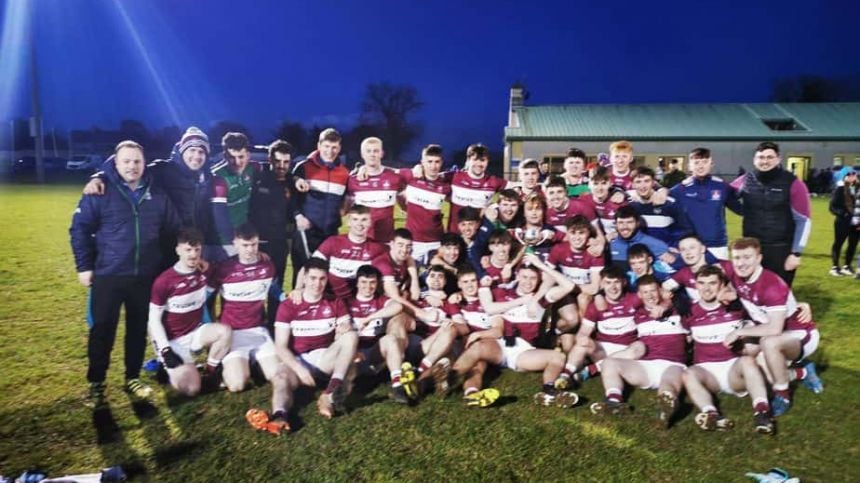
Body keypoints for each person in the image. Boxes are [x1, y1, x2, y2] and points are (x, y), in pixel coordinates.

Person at [70, 140, 180, 408]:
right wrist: (84, 266)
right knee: (103, 330)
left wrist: (173, 264)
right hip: (108, 274)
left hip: (144, 276)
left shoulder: (157, 192)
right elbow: (79, 229)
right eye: (127, 161)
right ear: (116, 164)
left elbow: (174, 228)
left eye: (137, 161)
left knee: (137, 330)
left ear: (144, 164)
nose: (132, 166)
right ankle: (96, 384)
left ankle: (132, 377)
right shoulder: (100, 190)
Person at [83, 126, 218, 266]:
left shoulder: (207, 177)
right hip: (167, 245)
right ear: (182, 151)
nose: (196, 156)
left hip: (195, 246)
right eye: (192, 150)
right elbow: (126, 164)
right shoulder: (163, 169)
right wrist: (99, 176)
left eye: (201, 152)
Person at [723, 237, 823, 416]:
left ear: (759, 258)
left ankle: (783, 394)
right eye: (737, 258)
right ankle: (802, 372)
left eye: (747, 257)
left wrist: (739, 332)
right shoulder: (733, 273)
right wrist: (726, 292)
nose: (741, 263)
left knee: (770, 343)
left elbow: (775, 328)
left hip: (800, 334)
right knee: (749, 354)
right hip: (772, 332)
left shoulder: (771, 284)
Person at [469, 254, 580, 407]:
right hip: (499, 345)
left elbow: (569, 286)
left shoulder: (541, 298)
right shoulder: (503, 291)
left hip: (523, 352)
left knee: (558, 357)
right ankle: (467, 392)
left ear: (539, 278)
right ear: (517, 276)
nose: (528, 282)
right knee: (477, 364)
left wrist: (541, 265)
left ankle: (549, 390)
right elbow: (487, 305)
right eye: (524, 277)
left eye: (533, 278)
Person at [209, 224, 290, 427]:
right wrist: (208, 329)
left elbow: (274, 290)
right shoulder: (224, 268)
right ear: (235, 244)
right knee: (237, 385)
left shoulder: (267, 265)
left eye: (254, 244)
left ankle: (251, 363)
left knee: (278, 375)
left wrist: (287, 298)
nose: (250, 250)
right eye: (245, 245)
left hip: (258, 331)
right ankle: (226, 366)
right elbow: (205, 299)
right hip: (233, 334)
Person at [682, 265, 775, 435]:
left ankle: (762, 412)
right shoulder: (689, 312)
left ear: (722, 285)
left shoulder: (736, 306)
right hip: (707, 373)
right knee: (688, 373)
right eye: (702, 283)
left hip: (733, 369)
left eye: (712, 283)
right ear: (696, 285)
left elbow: (771, 312)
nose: (706, 288)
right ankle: (711, 414)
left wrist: (802, 305)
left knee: (748, 361)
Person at [589, 275, 687, 427]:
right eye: (645, 292)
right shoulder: (637, 314)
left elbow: (686, 305)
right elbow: (615, 304)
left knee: (667, 387)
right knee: (610, 363)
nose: (650, 295)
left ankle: (664, 413)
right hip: (646, 366)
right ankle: (614, 401)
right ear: (639, 295)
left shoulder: (677, 307)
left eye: (653, 291)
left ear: (660, 291)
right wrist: (599, 295)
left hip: (673, 364)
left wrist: (666, 304)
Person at [147, 228, 232, 396]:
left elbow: (222, 272)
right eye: (188, 250)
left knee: (225, 331)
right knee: (192, 389)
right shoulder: (164, 281)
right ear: (177, 250)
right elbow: (153, 320)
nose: (193, 254)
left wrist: (261, 256)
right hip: (173, 342)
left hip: (195, 333)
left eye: (197, 249)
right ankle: (165, 366)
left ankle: (210, 372)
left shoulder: (203, 271)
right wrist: (165, 350)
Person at [273, 258, 359, 419]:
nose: (317, 284)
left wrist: (344, 329)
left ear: (327, 279)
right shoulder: (288, 305)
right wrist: (299, 368)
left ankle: (329, 394)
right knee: (280, 378)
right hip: (298, 359)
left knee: (351, 336)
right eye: (313, 278)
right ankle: (279, 415)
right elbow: (280, 346)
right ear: (304, 278)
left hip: (324, 359)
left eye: (322, 279)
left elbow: (345, 328)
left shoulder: (335, 302)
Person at [730, 142, 811, 286]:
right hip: (751, 247)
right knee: (751, 291)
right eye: (761, 157)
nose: (765, 161)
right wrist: (744, 211)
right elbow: (725, 196)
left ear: (778, 159)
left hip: (780, 249)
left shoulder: (793, 183)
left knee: (779, 292)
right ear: (754, 159)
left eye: (769, 157)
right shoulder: (745, 180)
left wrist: (796, 253)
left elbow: (803, 220)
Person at [557, 266, 646, 389]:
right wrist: (582, 338)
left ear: (624, 282)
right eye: (608, 283)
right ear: (602, 285)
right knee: (582, 343)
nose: (613, 287)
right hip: (602, 350)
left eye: (617, 282)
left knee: (640, 348)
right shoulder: (595, 306)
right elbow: (583, 331)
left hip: (626, 351)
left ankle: (590, 370)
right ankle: (565, 376)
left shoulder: (635, 299)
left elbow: (659, 298)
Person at [290, 128, 350, 285]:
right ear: (319, 145)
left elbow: (346, 197)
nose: (330, 151)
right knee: (302, 276)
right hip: (306, 232)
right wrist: (298, 216)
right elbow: (290, 196)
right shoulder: (304, 167)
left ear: (340, 148)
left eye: (334, 147)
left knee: (326, 277)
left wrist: (344, 209)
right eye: (327, 146)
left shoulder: (344, 173)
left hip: (330, 233)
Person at [293, 204, 387, 299]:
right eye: (355, 219)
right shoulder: (333, 242)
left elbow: (388, 276)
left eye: (364, 220)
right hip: (331, 299)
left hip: (360, 300)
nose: (359, 224)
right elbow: (308, 266)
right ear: (348, 222)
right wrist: (298, 288)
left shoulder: (378, 248)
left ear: (370, 222)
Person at [345, 265, 408, 403]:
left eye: (372, 282)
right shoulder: (347, 302)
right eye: (364, 282)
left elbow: (398, 306)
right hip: (353, 352)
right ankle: (342, 390)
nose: (368, 286)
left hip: (374, 351)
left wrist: (370, 318)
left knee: (391, 339)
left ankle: (398, 386)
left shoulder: (381, 300)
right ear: (357, 283)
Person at [670, 147, 742, 260]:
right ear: (689, 166)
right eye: (696, 162)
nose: (700, 166)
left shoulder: (722, 187)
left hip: (717, 245)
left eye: (704, 162)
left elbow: (740, 209)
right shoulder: (679, 190)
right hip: (691, 246)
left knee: (719, 277)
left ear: (711, 164)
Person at [250, 140, 294, 295]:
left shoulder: (291, 182)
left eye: (286, 162)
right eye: (277, 161)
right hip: (258, 243)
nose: (282, 165)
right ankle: (256, 318)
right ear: (270, 160)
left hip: (280, 244)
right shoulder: (258, 178)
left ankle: (275, 319)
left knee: (277, 283)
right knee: (256, 285)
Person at [211, 132, 260, 262]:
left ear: (248, 155)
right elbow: (220, 217)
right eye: (231, 157)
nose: (237, 162)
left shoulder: (255, 168)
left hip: (245, 236)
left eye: (241, 157)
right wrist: (233, 243)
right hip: (226, 241)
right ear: (224, 155)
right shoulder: (218, 178)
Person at [345, 137, 404, 243]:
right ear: (362, 154)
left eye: (376, 151)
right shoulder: (353, 180)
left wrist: (419, 167)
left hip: (387, 240)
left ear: (382, 153)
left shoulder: (395, 177)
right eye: (368, 151)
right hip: (363, 240)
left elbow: (415, 174)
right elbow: (344, 208)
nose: (372, 154)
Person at [400, 144, 452, 262]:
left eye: (437, 162)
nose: (433, 166)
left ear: (442, 162)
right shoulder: (411, 176)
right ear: (422, 162)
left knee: (436, 278)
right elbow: (385, 171)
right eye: (429, 161)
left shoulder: (445, 185)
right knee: (410, 277)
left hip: (436, 241)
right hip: (413, 240)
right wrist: (362, 168)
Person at [446, 143, 509, 232]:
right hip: (454, 239)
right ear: (468, 160)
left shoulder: (493, 181)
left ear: (487, 162)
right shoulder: (454, 177)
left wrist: (494, 206)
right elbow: (432, 177)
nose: (479, 164)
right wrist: (419, 167)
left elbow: (517, 186)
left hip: (478, 240)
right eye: (475, 159)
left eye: (482, 160)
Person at [628, 166, 693, 247]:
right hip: (640, 255)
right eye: (638, 182)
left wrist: (673, 247)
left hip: (666, 255)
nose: (643, 185)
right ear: (633, 185)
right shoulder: (630, 205)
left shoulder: (670, 204)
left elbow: (685, 230)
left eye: (646, 181)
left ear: (653, 183)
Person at [609, 206, 675, 271]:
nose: (625, 227)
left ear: (638, 223)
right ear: (615, 224)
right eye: (620, 223)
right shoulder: (610, 243)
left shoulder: (655, 244)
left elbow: (672, 269)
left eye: (629, 222)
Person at [828, 168, 860, 276]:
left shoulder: (857, 189)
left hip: (856, 222)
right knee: (839, 243)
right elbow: (832, 206)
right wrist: (843, 214)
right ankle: (835, 267)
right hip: (843, 222)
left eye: (854, 174)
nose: (852, 176)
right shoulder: (840, 189)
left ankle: (847, 265)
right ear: (844, 177)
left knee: (853, 244)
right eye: (849, 175)